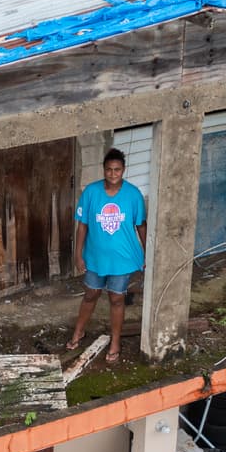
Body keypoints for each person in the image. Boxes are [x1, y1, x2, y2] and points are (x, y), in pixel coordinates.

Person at [66, 148, 147, 363]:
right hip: (95, 257)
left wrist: (148, 253)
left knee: (116, 298)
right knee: (91, 294)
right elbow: (82, 226)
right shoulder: (91, 193)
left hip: (122, 259)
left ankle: (115, 341)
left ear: (123, 170)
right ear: (104, 170)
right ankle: (79, 332)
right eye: (109, 170)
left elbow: (140, 225)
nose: (113, 174)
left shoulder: (133, 194)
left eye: (117, 170)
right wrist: (78, 255)